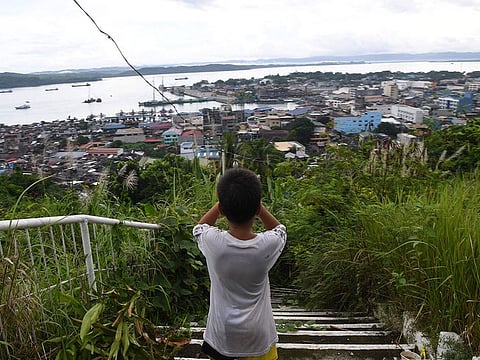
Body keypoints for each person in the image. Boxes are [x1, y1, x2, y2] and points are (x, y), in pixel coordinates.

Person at [193, 167, 287, 360]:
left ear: (223, 209)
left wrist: (220, 206)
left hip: (222, 334)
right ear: (257, 208)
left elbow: (199, 227)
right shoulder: (267, 245)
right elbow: (280, 229)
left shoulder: (214, 243)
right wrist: (259, 209)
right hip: (259, 336)